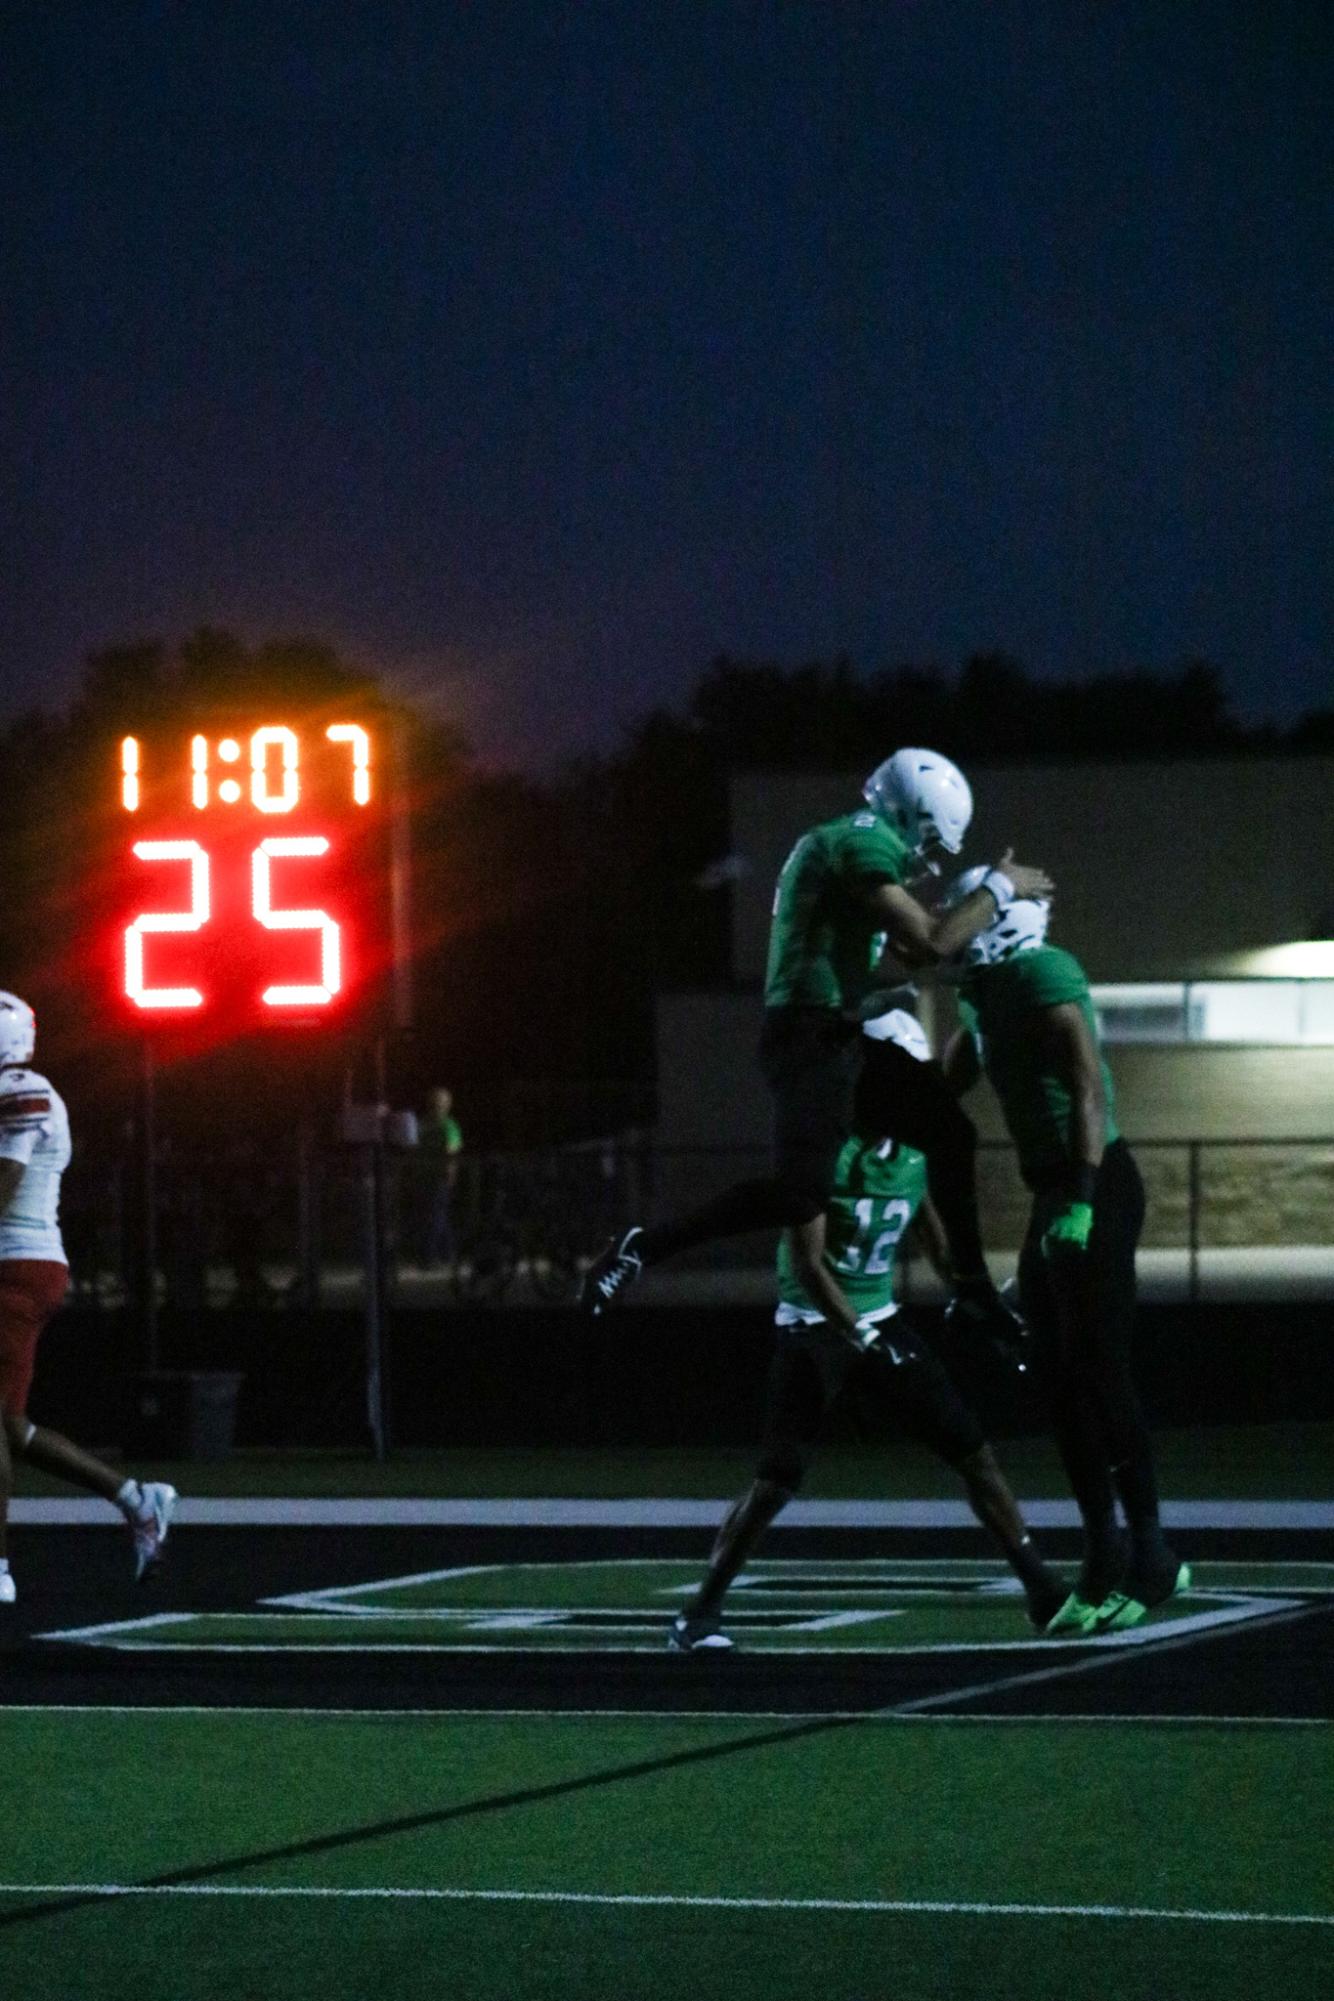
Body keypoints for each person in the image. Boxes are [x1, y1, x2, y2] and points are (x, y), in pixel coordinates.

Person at [580, 748, 1053, 1337]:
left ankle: (974, 1290)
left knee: (949, 1130)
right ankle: (642, 1246)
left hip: (840, 1036)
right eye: (930, 841)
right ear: (910, 814)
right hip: (808, 1041)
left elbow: (913, 954)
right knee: (800, 1196)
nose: (927, 860)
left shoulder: (858, 851)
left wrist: (986, 936)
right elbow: (931, 943)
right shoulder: (859, 841)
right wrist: (1000, 891)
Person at [669, 1009, 1066, 1650]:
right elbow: (807, 1264)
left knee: (975, 1454)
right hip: (814, 1329)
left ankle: (1042, 1590)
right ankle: (699, 1613)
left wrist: (982, 1296)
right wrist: (862, 1336)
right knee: (776, 1481)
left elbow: (936, 1241)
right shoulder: (825, 1148)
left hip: (877, 1322)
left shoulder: (912, 1151)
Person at [940, 874, 1190, 1635]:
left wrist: (1081, 1192)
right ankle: (1103, 1551)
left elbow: (1087, 1086)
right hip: (1054, 1194)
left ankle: (1151, 1552)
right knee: (1055, 1381)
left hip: (1097, 1182)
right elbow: (939, 1087)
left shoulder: (1045, 972)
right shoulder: (982, 996)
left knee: (1099, 1365)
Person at [0, 992, 177, 1606]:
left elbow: (4, 1186)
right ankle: (135, 1498)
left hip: (12, 1266)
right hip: (26, 1263)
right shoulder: (25, 1089)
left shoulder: (22, 1089)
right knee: (11, 1426)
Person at [414, 1086, 464, 1268]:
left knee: (436, 1215)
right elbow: (452, 1151)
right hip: (438, 1177)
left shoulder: (422, 1124)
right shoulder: (449, 1125)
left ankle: (441, 1254)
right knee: (438, 1216)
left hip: (425, 1176)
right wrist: (451, 1174)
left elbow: (414, 1148)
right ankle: (438, 1255)